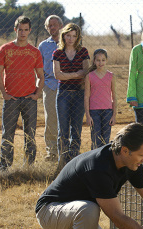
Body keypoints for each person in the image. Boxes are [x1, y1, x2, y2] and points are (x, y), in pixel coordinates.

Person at [0, 16, 44, 171]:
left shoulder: (34, 52)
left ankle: (28, 168)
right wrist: (4, 93)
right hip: (11, 98)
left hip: (29, 99)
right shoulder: (5, 49)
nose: (23, 33)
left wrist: (37, 93)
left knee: (30, 135)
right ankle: (4, 168)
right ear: (15, 30)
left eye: (26, 30)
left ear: (29, 31)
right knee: (7, 134)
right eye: (20, 29)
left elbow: (41, 76)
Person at [53, 23, 90, 164]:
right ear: (63, 36)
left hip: (79, 94)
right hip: (63, 94)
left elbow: (86, 72)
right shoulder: (57, 53)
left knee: (76, 129)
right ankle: (62, 161)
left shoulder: (83, 52)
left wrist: (67, 74)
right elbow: (57, 75)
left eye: (74, 36)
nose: (71, 39)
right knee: (63, 130)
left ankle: (74, 161)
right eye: (68, 35)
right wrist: (76, 74)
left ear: (78, 37)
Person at [38, 15, 63, 162]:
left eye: (54, 25)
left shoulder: (67, 42)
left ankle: (67, 149)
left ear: (60, 25)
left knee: (67, 118)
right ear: (47, 28)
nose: (52, 27)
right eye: (49, 25)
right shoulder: (43, 46)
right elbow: (39, 68)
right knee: (51, 119)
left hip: (66, 84)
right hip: (50, 85)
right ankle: (52, 151)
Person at [84, 49, 117, 149]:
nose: (100, 62)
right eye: (98, 60)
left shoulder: (111, 76)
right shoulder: (89, 76)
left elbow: (114, 97)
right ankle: (94, 161)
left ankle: (104, 161)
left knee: (105, 140)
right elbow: (86, 96)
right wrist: (88, 116)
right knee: (95, 139)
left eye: (103, 60)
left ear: (106, 60)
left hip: (108, 111)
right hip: (94, 112)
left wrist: (114, 115)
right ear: (94, 61)